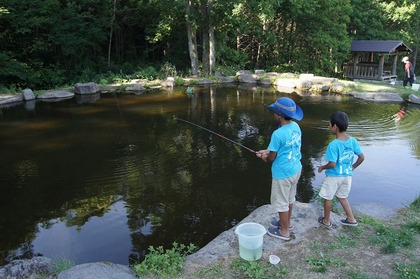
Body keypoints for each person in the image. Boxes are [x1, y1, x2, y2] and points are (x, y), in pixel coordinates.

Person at [256, 97, 303, 241]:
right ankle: (287, 223)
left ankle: (284, 231)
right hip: (296, 169)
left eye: (275, 112)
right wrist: (267, 150)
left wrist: (263, 157)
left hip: (282, 174)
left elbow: (271, 158)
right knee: (289, 199)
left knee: (281, 203)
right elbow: (283, 148)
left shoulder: (277, 134)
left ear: (279, 115)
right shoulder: (295, 126)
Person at [317, 111, 364, 228]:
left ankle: (326, 221)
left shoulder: (333, 145)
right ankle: (351, 219)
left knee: (328, 197)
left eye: (329, 125)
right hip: (347, 176)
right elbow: (362, 157)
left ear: (335, 127)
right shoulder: (352, 141)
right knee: (342, 196)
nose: (329, 127)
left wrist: (322, 167)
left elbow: (332, 164)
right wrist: (352, 167)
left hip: (334, 176)